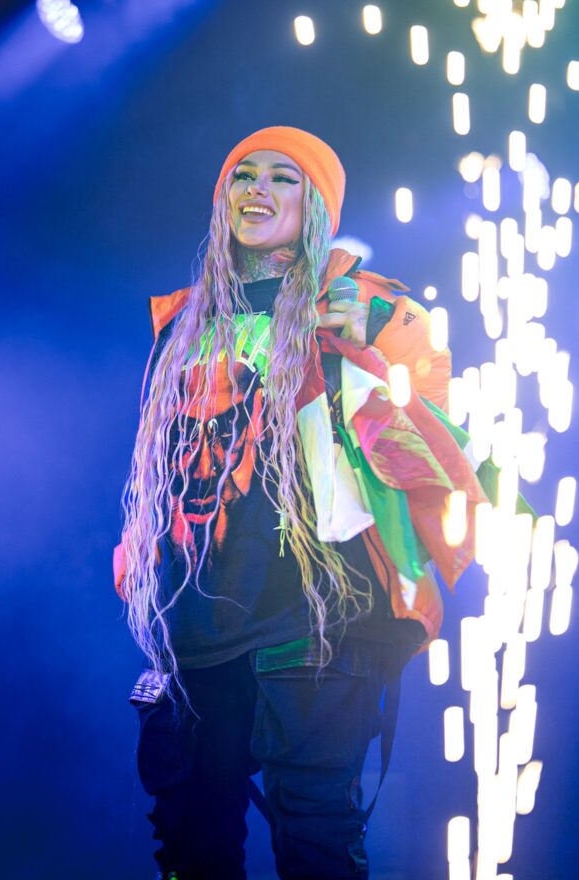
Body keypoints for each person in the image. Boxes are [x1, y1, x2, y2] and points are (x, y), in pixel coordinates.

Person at [115, 126, 487, 880]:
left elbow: (432, 452)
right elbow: (160, 470)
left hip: (319, 608)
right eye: (243, 175)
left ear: (316, 202)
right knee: (188, 833)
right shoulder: (181, 323)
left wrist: (363, 356)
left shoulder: (372, 308)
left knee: (314, 830)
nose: (257, 189)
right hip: (198, 612)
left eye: (282, 176)